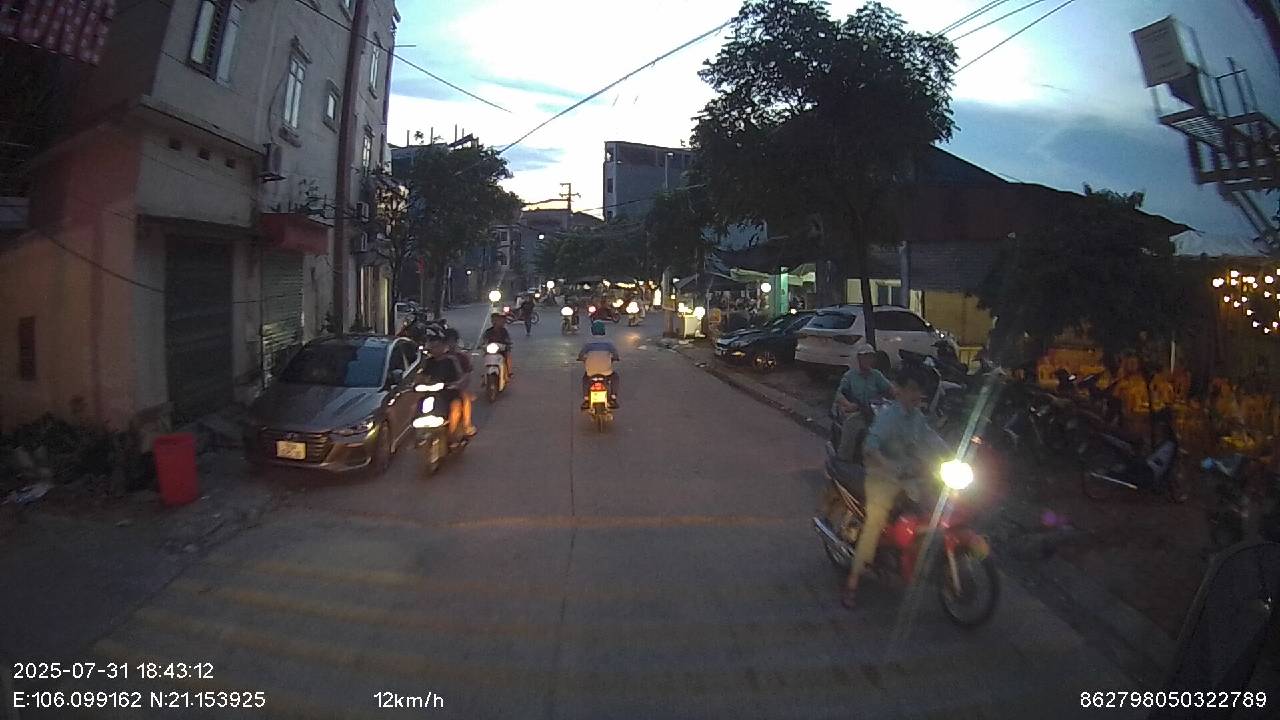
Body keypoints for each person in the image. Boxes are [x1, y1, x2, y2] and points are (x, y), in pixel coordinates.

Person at [841, 363, 952, 610]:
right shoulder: (888, 418)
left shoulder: (917, 418)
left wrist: (955, 456)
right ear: (898, 390)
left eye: (919, 390)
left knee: (935, 511)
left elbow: (931, 439)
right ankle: (852, 583)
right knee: (874, 527)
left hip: (910, 478)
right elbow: (870, 446)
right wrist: (887, 465)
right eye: (911, 389)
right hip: (882, 479)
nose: (916, 395)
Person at [832, 343, 894, 462]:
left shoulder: (876, 375)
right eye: (865, 357)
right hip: (857, 410)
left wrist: (902, 395)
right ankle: (843, 458)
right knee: (851, 425)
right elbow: (839, 394)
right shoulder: (850, 376)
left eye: (870, 357)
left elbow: (890, 389)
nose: (867, 360)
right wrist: (848, 404)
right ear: (859, 358)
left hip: (873, 411)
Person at [420, 329, 465, 441]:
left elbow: (460, 376)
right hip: (432, 395)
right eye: (432, 347)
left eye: (437, 346)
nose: (435, 349)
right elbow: (422, 377)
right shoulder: (428, 362)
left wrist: (456, 384)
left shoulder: (451, 360)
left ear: (443, 347)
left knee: (455, 408)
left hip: (450, 394)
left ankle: (452, 436)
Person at [577, 320, 620, 409]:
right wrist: (614, 359)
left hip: (591, 372)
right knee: (615, 377)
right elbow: (615, 355)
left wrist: (582, 359)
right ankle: (613, 397)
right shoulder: (609, 342)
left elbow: (581, 355)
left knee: (585, 379)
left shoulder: (587, 343)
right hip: (606, 371)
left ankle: (586, 399)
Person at [443, 327, 476, 437]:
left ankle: (467, 425)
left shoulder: (461, 357)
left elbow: (467, 373)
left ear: (456, 342)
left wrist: (459, 383)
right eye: (447, 341)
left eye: (451, 341)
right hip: (440, 388)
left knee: (465, 398)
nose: (449, 344)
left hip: (457, 388)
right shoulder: (436, 358)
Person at [481, 312, 514, 379]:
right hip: (491, 350)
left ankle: (509, 371)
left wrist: (507, 345)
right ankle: (485, 373)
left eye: (496, 320)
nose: (495, 322)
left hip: (501, 350)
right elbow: (484, 340)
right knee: (485, 356)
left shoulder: (504, 331)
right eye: (493, 320)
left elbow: (508, 340)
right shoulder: (488, 331)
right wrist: (483, 345)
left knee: (508, 355)